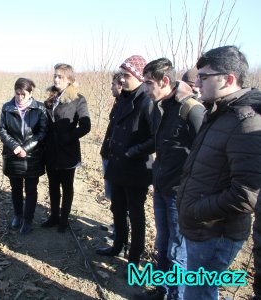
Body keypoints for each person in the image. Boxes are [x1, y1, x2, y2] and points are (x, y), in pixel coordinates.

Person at [176, 45, 261, 300]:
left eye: (203, 77)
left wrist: (195, 210)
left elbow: (246, 194)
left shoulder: (247, 122)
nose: (196, 82)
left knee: (198, 293)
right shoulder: (220, 112)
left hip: (215, 234)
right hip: (202, 228)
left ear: (229, 79)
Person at [137, 58, 205, 300]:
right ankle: (162, 291)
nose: (144, 89)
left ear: (165, 81)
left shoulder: (192, 110)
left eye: (148, 83)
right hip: (162, 187)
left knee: (178, 251)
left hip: (181, 194)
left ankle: (177, 296)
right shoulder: (159, 106)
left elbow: (205, 157)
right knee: (163, 245)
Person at [96, 55, 154, 268]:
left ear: (139, 76)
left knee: (136, 214)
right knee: (117, 209)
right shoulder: (123, 97)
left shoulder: (147, 101)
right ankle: (117, 245)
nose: (122, 80)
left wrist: (133, 151)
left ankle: (134, 258)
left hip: (136, 168)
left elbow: (156, 137)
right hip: (117, 165)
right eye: (120, 75)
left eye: (126, 75)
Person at [42, 63, 91, 233]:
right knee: (53, 185)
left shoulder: (78, 99)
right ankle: (54, 216)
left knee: (67, 186)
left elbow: (86, 126)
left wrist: (67, 138)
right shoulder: (50, 99)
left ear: (69, 80)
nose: (56, 79)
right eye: (55, 75)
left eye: (60, 76)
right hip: (50, 151)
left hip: (67, 152)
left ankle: (64, 219)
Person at [0, 78, 47, 234]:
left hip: (33, 157)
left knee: (31, 190)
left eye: (23, 94)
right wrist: (15, 147)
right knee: (16, 189)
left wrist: (26, 148)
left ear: (30, 93)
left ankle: (28, 219)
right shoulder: (7, 108)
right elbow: (1, 129)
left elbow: (42, 132)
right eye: (17, 93)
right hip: (13, 156)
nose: (19, 97)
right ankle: (18, 216)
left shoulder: (39, 108)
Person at [100, 71, 123, 202]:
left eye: (113, 84)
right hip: (108, 153)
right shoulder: (117, 102)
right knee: (111, 195)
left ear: (121, 85)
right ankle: (116, 222)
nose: (111, 87)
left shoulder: (127, 104)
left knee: (119, 196)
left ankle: (122, 222)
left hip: (117, 157)